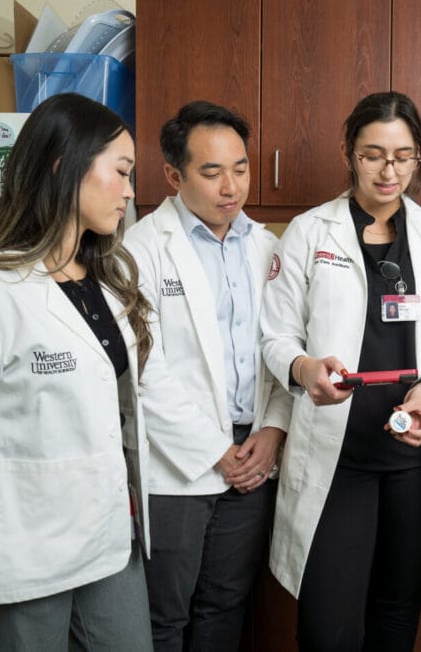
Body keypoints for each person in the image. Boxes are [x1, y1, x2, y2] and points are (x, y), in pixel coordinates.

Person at [0, 92, 155, 651]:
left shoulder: (105, 284)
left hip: (112, 539)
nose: (131, 191)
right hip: (22, 550)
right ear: (66, 167)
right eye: (122, 172)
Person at [260, 91, 421, 651]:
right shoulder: (311, 232)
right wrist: (303, 365)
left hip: (412, 457)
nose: (389, 170)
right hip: (339, 458)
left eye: (403, 156)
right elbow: (275, 334)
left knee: (395, 617)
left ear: (419, 157)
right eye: (373, 154)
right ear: (348, 152)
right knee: (327, 628)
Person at [123, 101, 292, 650]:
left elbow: (282, 348)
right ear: (174, 175)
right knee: (164, 615)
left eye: (240, 168)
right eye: (211, 171)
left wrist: (271, 432)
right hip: (179, 466)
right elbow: (144, 370)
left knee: (225, 605)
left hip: (252, 457)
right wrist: (214, 451)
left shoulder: (268, 246)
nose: (231, 186)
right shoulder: (141, 249)